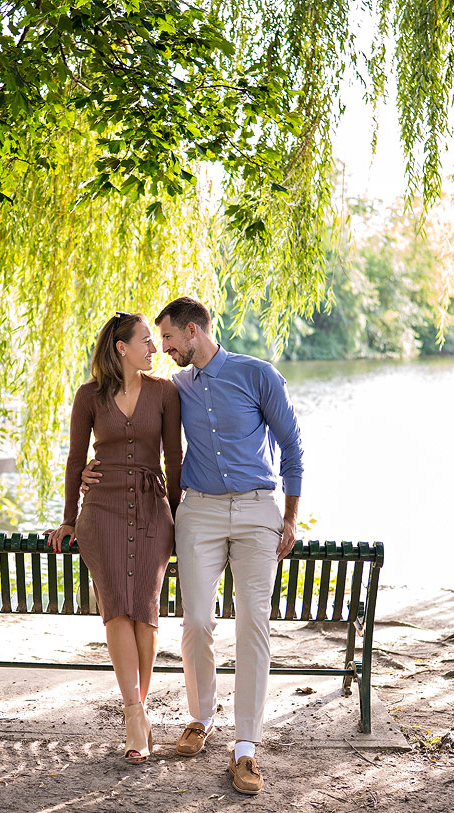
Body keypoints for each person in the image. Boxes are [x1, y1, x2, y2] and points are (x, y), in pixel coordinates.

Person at [81, 296, 301, 794]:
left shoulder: (257, 374)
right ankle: (201, 717)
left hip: (255, 508)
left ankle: (245, 746)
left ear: (194, 332)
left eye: (169, 339)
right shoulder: (174, 387)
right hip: (199, 511)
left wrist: (290, 517)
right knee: (196, 620)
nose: (163, 348)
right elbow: (140, 430)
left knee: (253, 621)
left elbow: (292, 446)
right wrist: (98, 473)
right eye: (155, 342)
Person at [45, 311, 182, 764]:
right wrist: (69, 519)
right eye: (146, 340)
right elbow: (73, 461)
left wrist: (178, 520)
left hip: (150, 510)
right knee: (116, 611)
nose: (154, 347)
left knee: (145, 610)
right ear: (121, 347)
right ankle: (134, 714)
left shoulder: (165, 393)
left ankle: (137, 713)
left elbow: (174, 462)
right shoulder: (88, 397)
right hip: (100, 512)